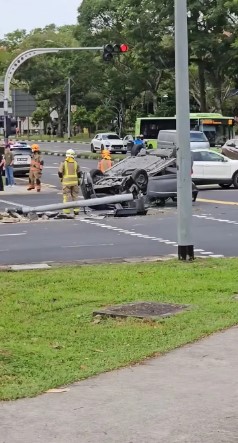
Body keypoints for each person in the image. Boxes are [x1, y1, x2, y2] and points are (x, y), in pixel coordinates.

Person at [58, 149, 81, 216]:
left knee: (66, 197)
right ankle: (76, 211)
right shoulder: (76, 163)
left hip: (66, 183)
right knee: (75, 196)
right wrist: (78, 180)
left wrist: (61, 178)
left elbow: (60, 172)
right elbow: (79, 173)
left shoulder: (63, 163)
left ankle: (66, 211)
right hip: (75, 183)